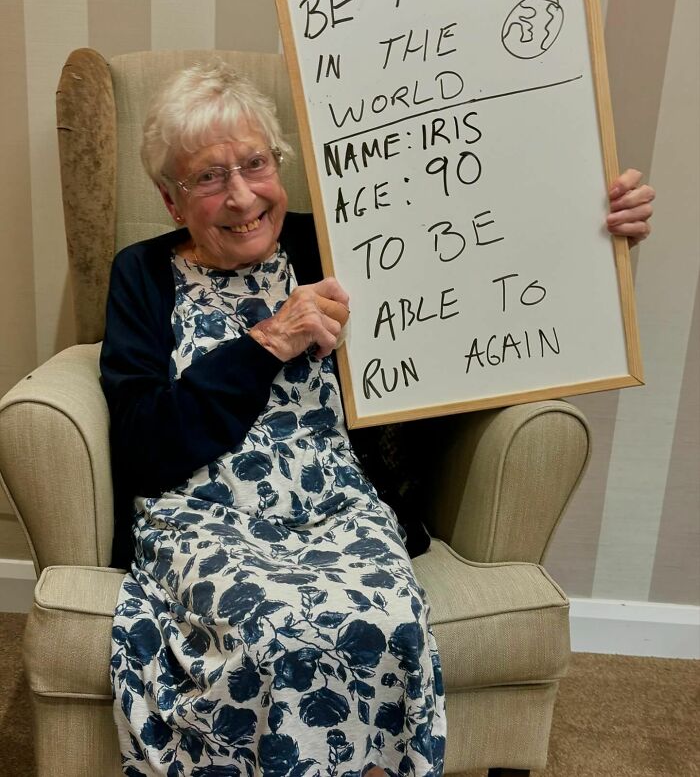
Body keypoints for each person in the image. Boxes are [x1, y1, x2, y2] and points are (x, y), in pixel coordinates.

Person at [101, 60, 653, 777]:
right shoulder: (142, 274)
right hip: (204, 513)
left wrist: (596, 232)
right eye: (208, 177)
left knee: (386, 621)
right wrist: (266, 343)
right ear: (172, 201)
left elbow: (483, 281)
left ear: (279, 166)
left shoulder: (344, 241)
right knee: (276, 628)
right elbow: (141, 443)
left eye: (255, 164)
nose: (241, 196)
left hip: (340, 506)